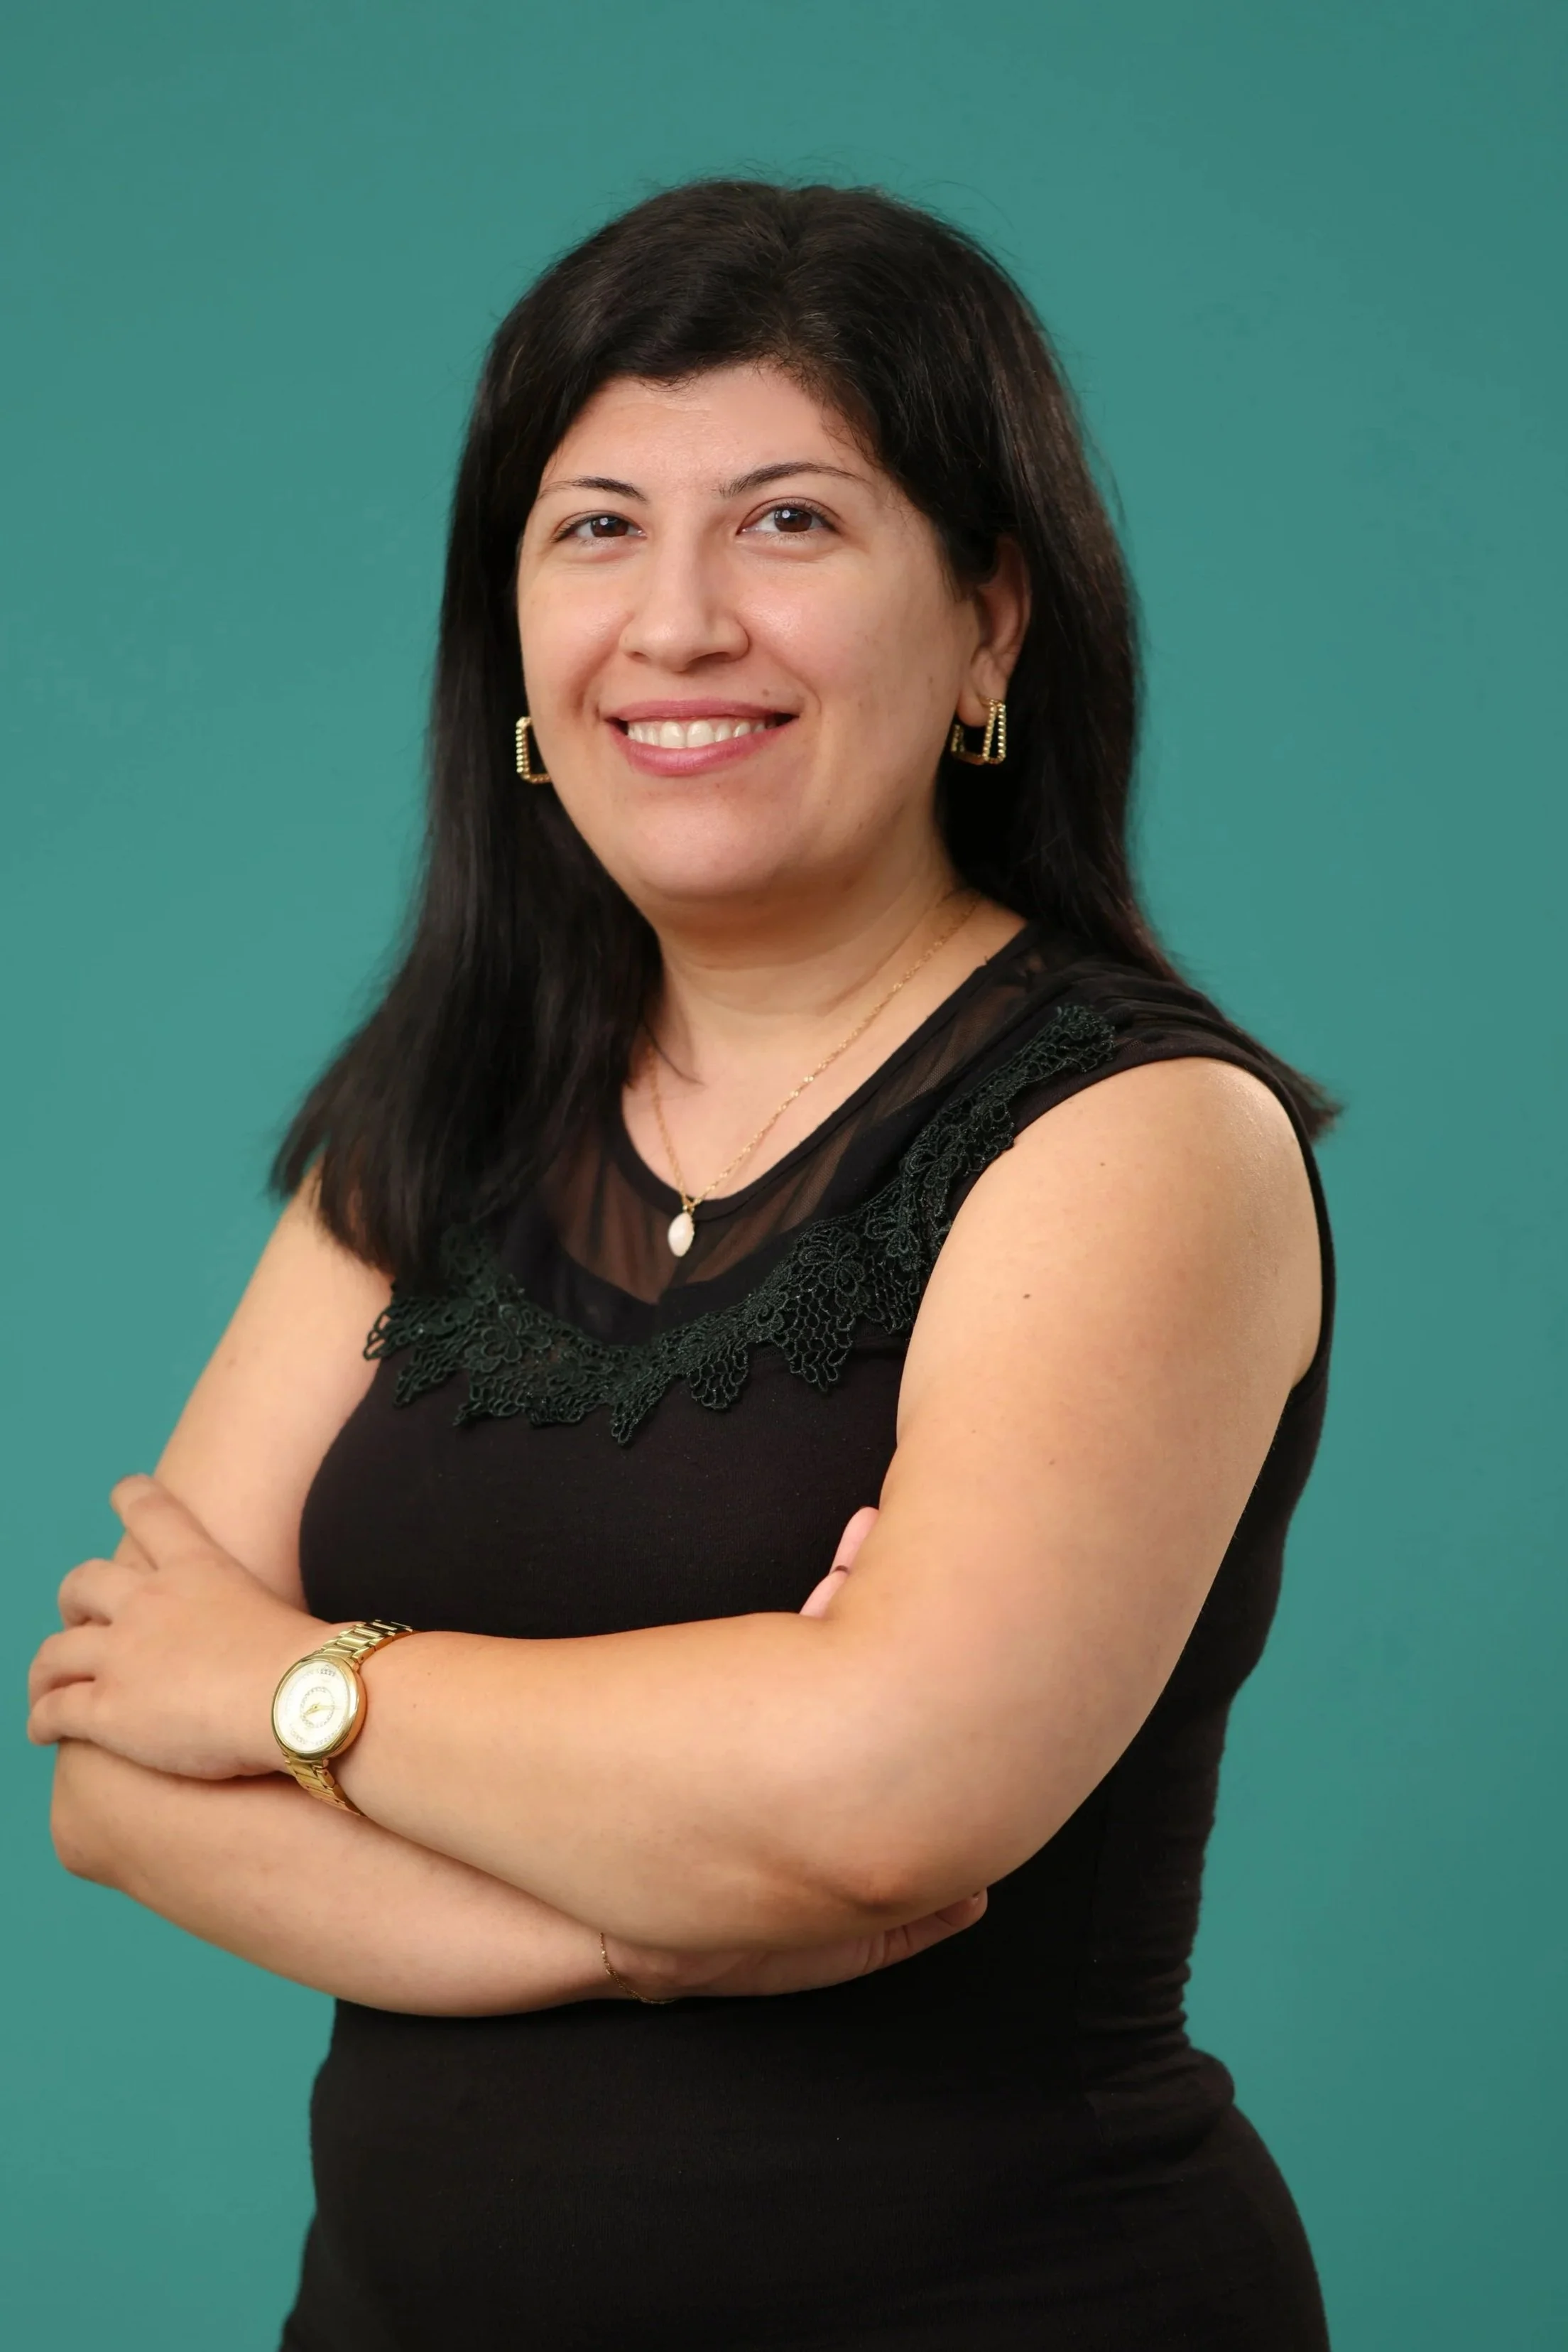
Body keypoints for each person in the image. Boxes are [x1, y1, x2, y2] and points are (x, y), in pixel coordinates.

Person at [28, 180, 1336, 2349]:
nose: (680, 623)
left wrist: (288, 1688)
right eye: (598, 525)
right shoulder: (433, 1115)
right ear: (514, 638)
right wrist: (643, 1923)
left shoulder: (1133, 1134)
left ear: (991, 621)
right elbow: (112, 1783)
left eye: (793, 522)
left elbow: (873, 1807)